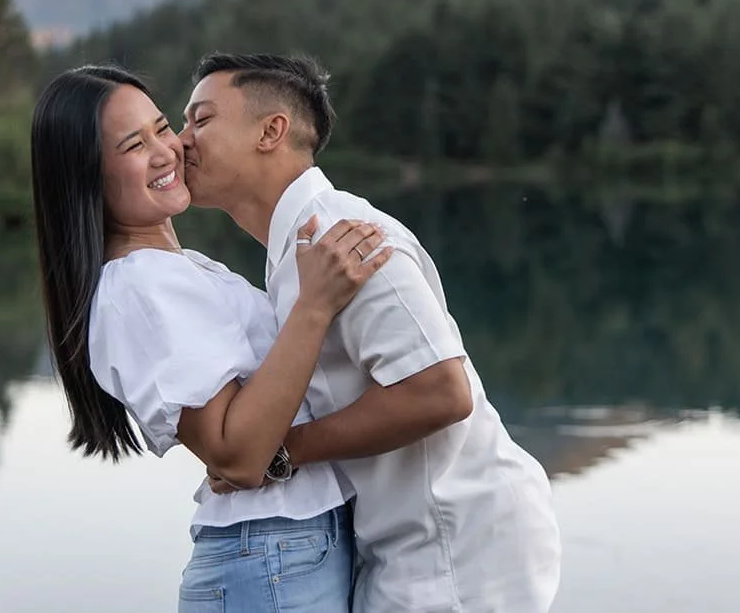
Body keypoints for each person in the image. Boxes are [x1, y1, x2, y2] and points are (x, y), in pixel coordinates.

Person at [179, 52, 562, 613]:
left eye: (201, 119)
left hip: (456, 546)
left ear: (271, 131)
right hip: (401, 545)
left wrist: (281, 453)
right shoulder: (296, 254)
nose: (181, 140)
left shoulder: (343, 236)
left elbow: (440, 391)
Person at [31, 64, 394, 613]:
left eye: (161, 127)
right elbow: (240, 457)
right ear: (86, 177)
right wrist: (315, 305)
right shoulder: (141, 285)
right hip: (272, 560)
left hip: (285, 553)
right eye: (134, 145)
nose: (165, 151)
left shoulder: (176, 269)